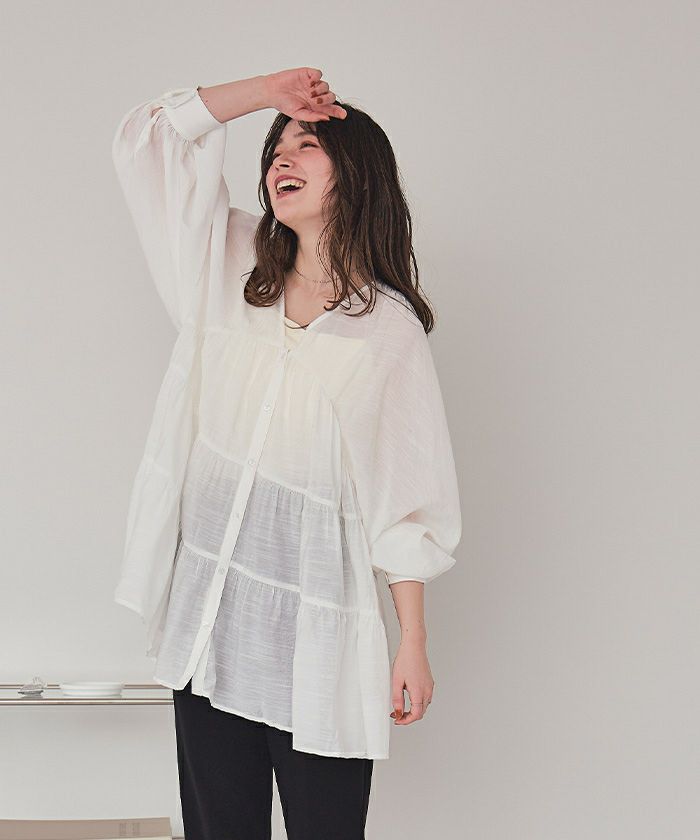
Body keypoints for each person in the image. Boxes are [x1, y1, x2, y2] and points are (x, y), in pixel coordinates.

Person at [111, 66, 462, 840]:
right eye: (275, 148)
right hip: (210, 626)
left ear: (356, 173)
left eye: (305, 145)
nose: (280, 158)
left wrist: (412, 641)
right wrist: (266, 93)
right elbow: (149, 139)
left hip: (317, 639)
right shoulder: (226, 262)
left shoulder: (388, 331)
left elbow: (408, 498)